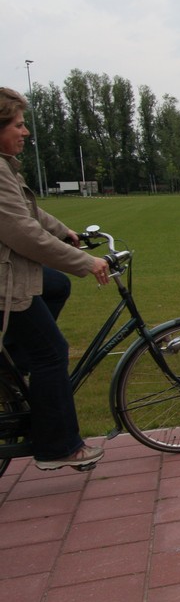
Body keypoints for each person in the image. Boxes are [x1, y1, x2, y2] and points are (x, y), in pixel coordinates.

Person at [0, 87, 111, 471]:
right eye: (18, 125)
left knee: (56, 285)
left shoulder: (5, 167)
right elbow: (23, 233)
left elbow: (28, 212)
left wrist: (64, 231)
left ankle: (12, 364)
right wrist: (84, 261)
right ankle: (58, 446)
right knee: (51, 353)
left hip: (11, 275)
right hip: (5, 285)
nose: (25, 131)